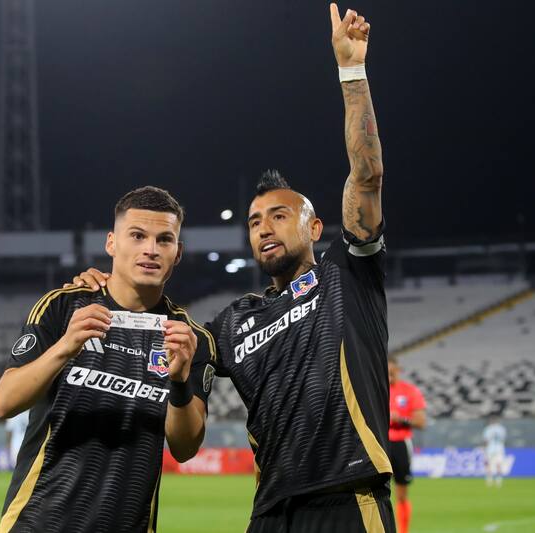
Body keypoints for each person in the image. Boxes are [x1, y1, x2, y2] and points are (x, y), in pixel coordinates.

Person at [67, 5, 396, 531]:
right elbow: (175, 357)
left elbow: (368, 175)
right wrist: (110, 287)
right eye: (253, 221)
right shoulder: (232, 323)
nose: (263, 227)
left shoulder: (347, 275)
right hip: (267, 512)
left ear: (314, 228)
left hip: (347, 500)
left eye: (279, 216)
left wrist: (352, 73)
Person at [0, 186, 215, 532]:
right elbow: (5, 402)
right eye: (138, 236)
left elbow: (185, 447)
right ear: (112, 243)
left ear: (178, 252)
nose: (150, 250)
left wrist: (179, 381)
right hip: (37, 523)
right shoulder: (63, 306)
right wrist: (65, 347)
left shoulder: (189, 338)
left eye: (164, 240)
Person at [387, 358, 426, 533]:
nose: (388, 376)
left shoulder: (409, 391)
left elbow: (421, 422)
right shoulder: (374, 389)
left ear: (398, 371)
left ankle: (403, 531)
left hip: (400, 444)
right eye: (385, 372)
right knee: (375, 492)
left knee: (401, 493)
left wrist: (400, 419)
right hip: (378, 443)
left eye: (392, 372)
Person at [482, 416, 507, 487]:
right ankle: (499, 480)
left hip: (490, 449)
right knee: (498, 464)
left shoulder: (488, 429)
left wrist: (484, 448)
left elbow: (486, 440)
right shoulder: (501, 429)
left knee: (488, 464)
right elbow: (503, 439)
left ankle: (489, 480)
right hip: (499, 449)